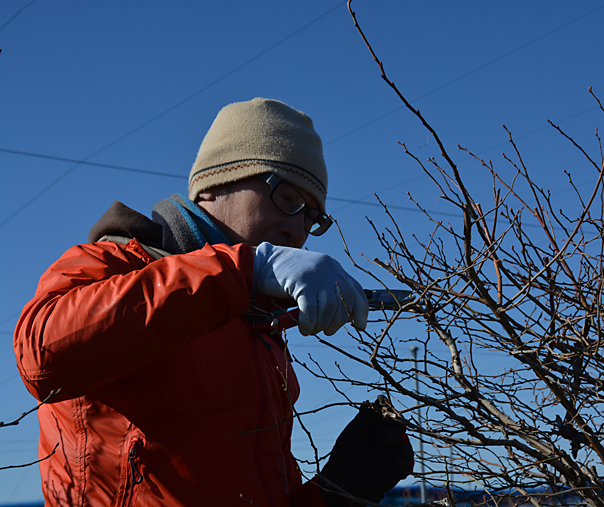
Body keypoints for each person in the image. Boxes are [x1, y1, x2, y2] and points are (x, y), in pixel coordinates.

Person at [14, 98, 413, 506]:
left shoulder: (261, 333)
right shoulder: (112, 265)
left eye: (312, 219)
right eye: (287, 199)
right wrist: (244, 268)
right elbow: (40, 356)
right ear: (216, 183)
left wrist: (342, 490)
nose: (297, 229)